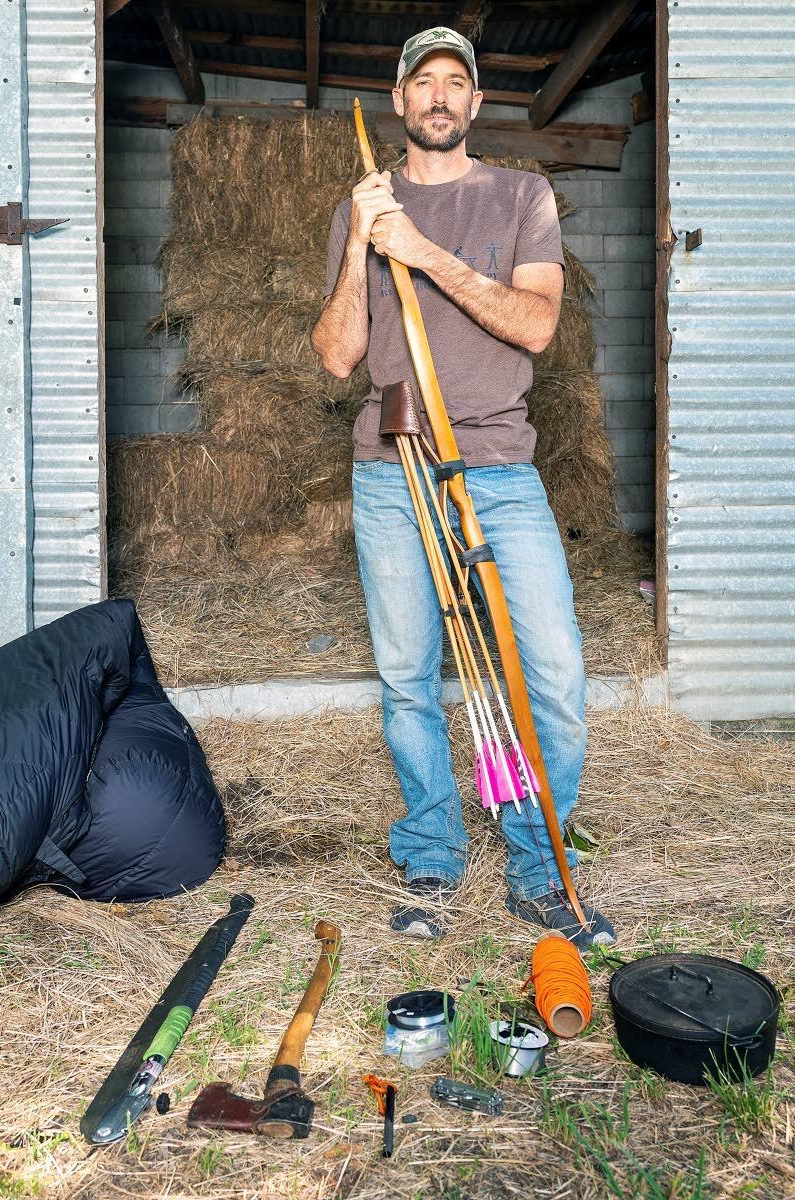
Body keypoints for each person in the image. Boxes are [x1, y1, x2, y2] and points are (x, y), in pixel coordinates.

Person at [311, 26, 616, 951]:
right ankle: (433, 853)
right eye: (423, 82)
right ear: (399, 101)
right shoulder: (363, 205)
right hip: (392, 467)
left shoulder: (522, 196)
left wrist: (423, 253)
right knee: (409, 676)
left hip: (499, 468)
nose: (439, 96)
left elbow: (536, 325)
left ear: (476, 102)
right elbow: (337, 357)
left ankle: (537, 864)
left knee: (552, 671)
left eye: (456, 82)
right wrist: (365, 242)